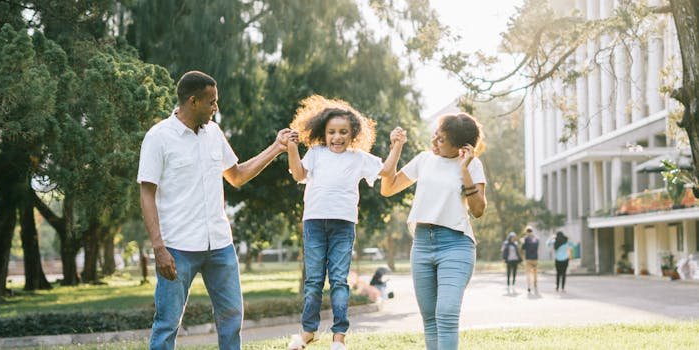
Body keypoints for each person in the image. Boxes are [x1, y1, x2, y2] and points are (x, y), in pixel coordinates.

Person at [137, 70, 294, 350]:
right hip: (177, 248)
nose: (216, 108)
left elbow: (236, 175)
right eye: (212, 102)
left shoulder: (214, 134)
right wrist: (158, 247)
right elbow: (147, 194)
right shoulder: (158, 137)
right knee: (167, 323)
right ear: (193, 101)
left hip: (219, 245)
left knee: (232, 317)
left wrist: (276, 148)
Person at [285, 95, 401, 350]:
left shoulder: (358, 157)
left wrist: (397, 145)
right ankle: (307, 333)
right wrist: (292, 148)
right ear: (323, 133)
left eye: (343, 132)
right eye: (332, 132)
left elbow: (387, 171)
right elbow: (298, 174)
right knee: (314, 281)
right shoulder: (316, 153)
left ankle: (339, 338)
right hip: (314, 223)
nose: (337, 137)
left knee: (339, 280)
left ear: (353, 134)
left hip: (343, 226)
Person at [380, 113, 487, 350]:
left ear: (461, 147)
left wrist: (465, 169)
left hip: (456, 245)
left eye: (442, 140)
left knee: (446, 315)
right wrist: (396, 148)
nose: (435, 141)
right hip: (422, 243)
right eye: (436, 134)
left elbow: (478, 209)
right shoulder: (424, 159)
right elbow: (388, 188)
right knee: (429, 319)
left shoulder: (473, 164)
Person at [521, 225, 540, 294]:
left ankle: (529, 286)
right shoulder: (536, 238)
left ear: (526, 232)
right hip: (535, 258)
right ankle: (535, 284)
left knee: (528, 273)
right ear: (532, 231)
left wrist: (523, 243)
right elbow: (537, 247)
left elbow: (523, 248)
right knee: (535, 273)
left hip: (528, 258)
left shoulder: (525, 239)